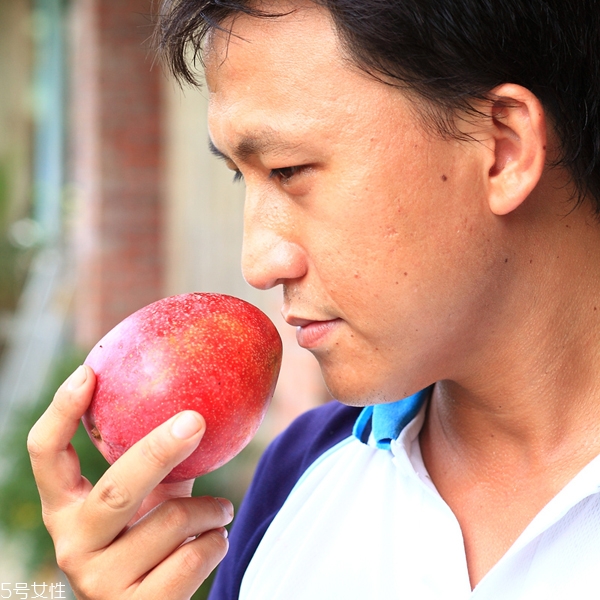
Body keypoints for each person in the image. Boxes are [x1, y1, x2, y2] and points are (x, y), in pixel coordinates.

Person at [28, 0, 600, 597]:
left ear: (503, 148)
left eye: (288, 168)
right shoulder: (294, 479)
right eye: (237, 176)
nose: (257, 265)